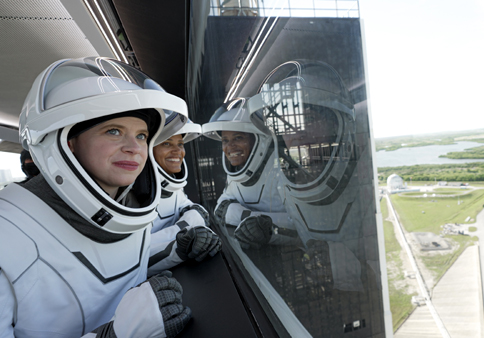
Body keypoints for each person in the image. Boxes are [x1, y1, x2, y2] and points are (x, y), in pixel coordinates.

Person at [0, 57, 195, 338]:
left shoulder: (132, 208)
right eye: (113, 131)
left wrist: (175, 250)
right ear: (67, 143)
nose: (134, 148)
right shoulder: (8, 231)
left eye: (141, 135)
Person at [250, 60, 367, 292]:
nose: (296, 135)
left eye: (310, 119)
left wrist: (342, 267)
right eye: (286, 125)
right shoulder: (284, 180)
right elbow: (301, 226)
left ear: (338, 124)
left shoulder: (368, 178)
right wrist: (266, 230)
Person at [202, 98, 300, 249]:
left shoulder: (283, 173)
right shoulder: (237, 171)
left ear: (258, 140)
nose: (230, 146)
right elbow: (220, 208)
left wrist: (262, 228)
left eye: (238, 138)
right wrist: (251, 220)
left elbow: (303, 225)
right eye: (225, 140)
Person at [148, 120, 222, 276]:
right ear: (148, 149)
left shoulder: (172, 184)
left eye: (180, 144)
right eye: (167, 144)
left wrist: (187, 229)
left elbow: (194, 209)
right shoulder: (132, 194)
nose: (177, 151)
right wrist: (183, 244)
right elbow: (130, 259)